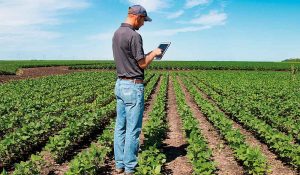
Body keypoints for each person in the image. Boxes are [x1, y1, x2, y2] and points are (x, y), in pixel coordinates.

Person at [112, 4, 162, 175]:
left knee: (120, 127)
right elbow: (142, 64)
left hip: (120, 84)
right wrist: (154, 53)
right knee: (133, 129)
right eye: (143, 20)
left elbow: (131, 58)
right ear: (136, 16)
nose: (143, 24)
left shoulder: (117, 33)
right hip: (133, 86)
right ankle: (130, 168)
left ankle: (119, 165)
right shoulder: (134, 36)